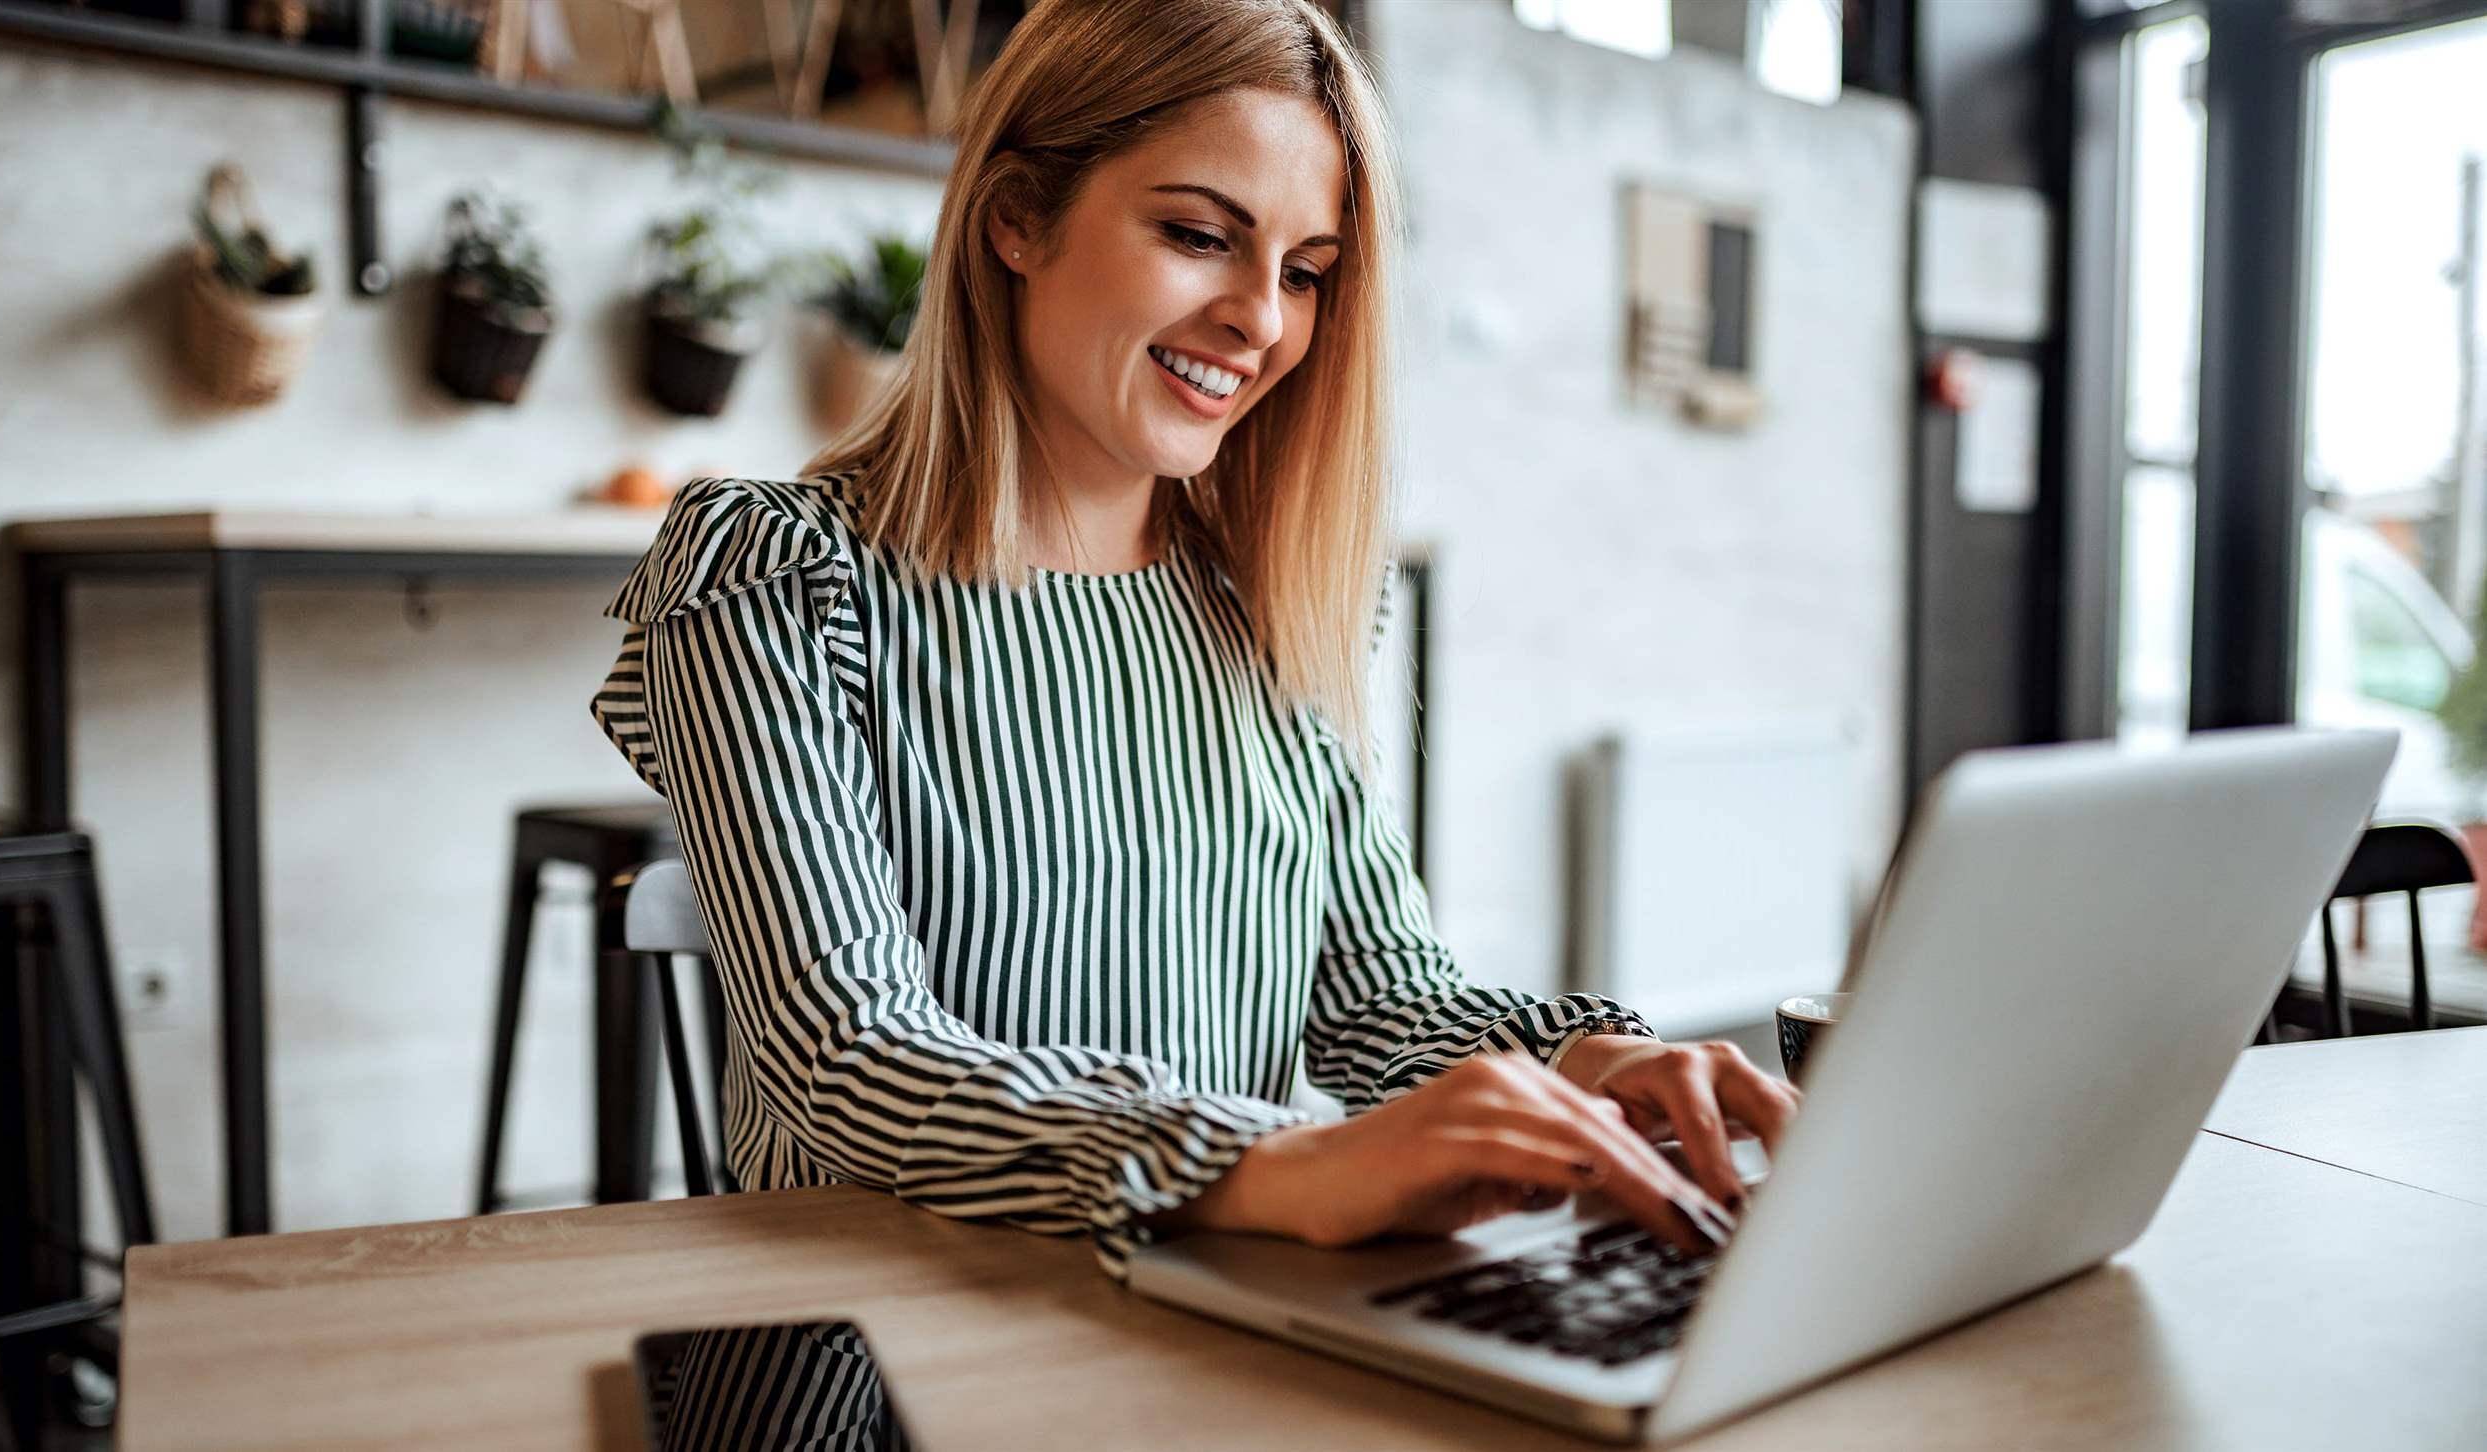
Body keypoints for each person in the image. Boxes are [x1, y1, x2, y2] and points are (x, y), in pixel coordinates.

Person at [590, 0, 1799, 1314]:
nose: (1261, 321)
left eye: (1308, 270)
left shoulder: (1267, 605)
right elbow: (850, 1060)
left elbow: (1380, 1005)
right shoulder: (775, 578)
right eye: (1199, 237)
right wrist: (1271, 1163)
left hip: (1196, 1320)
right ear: (1015, 219)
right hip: (880, 1342)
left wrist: (1584, 1062)